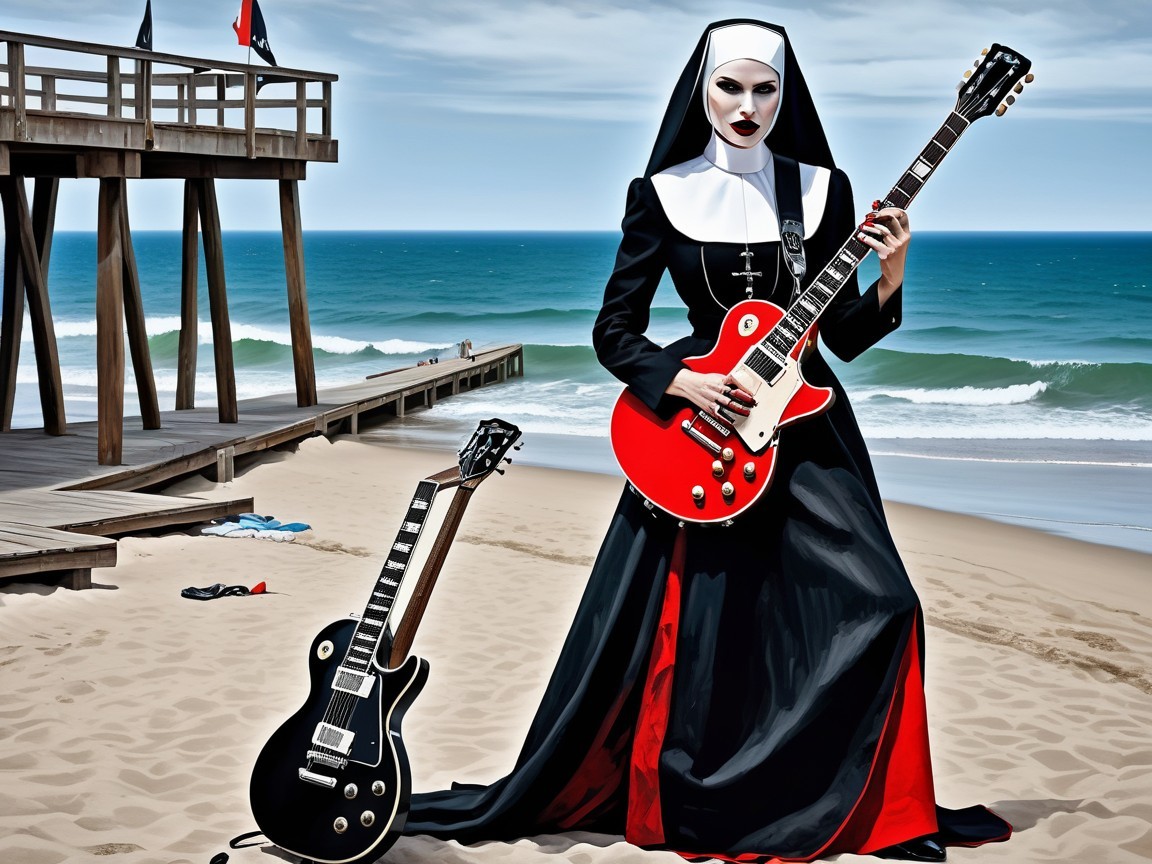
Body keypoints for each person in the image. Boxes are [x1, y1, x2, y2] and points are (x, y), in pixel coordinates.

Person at [404, 19, 1011, 862]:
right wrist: (681, 380)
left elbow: (843, 335)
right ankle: (707, 800)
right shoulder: (662, 192)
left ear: (784, 97)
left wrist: (895, 271)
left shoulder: (821, 191)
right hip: (699, 430)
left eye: (766, 89)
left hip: (805, 426)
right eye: (732, 87)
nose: (749, 106)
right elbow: (613, 331)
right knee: (705, 632)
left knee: (884, 602)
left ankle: (870, 806)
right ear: (702, 90)